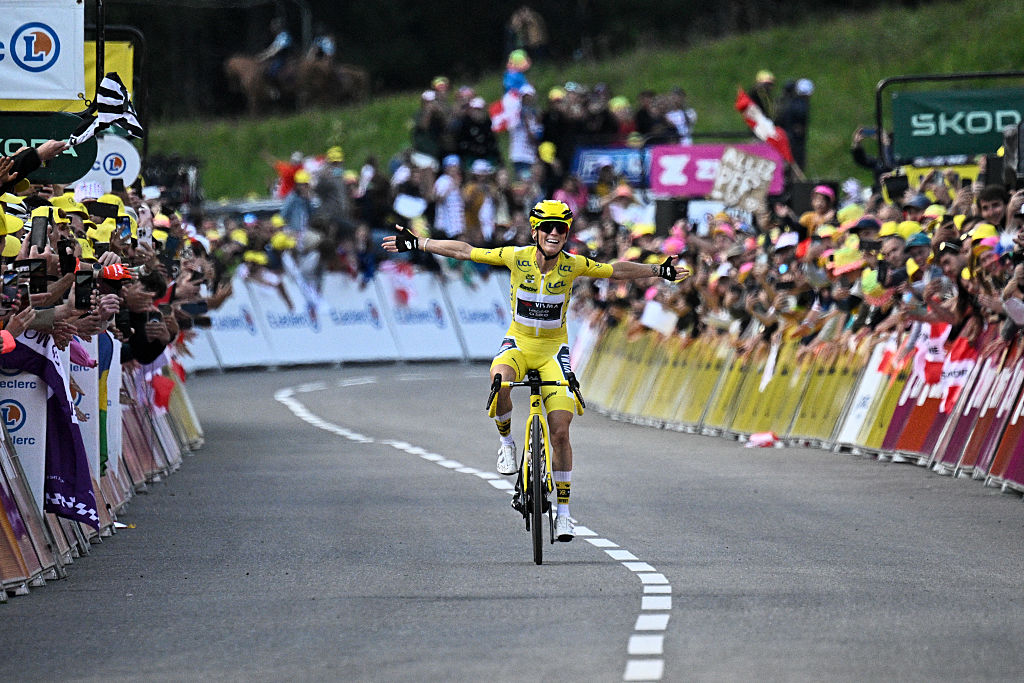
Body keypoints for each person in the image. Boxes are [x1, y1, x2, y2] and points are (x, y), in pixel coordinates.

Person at [382, 199, 690, 541]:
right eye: (548, 227)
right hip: (519, 343)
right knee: (499, 381)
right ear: (535, 231)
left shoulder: (572, 265)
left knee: (560, 431)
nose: (555, 233)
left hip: (552, 351)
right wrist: (419, 243)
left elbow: (614, 269)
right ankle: (506, 443)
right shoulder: (517, 257)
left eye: (562, 227)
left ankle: (564, 513)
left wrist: (659, 270)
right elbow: (467, 251)